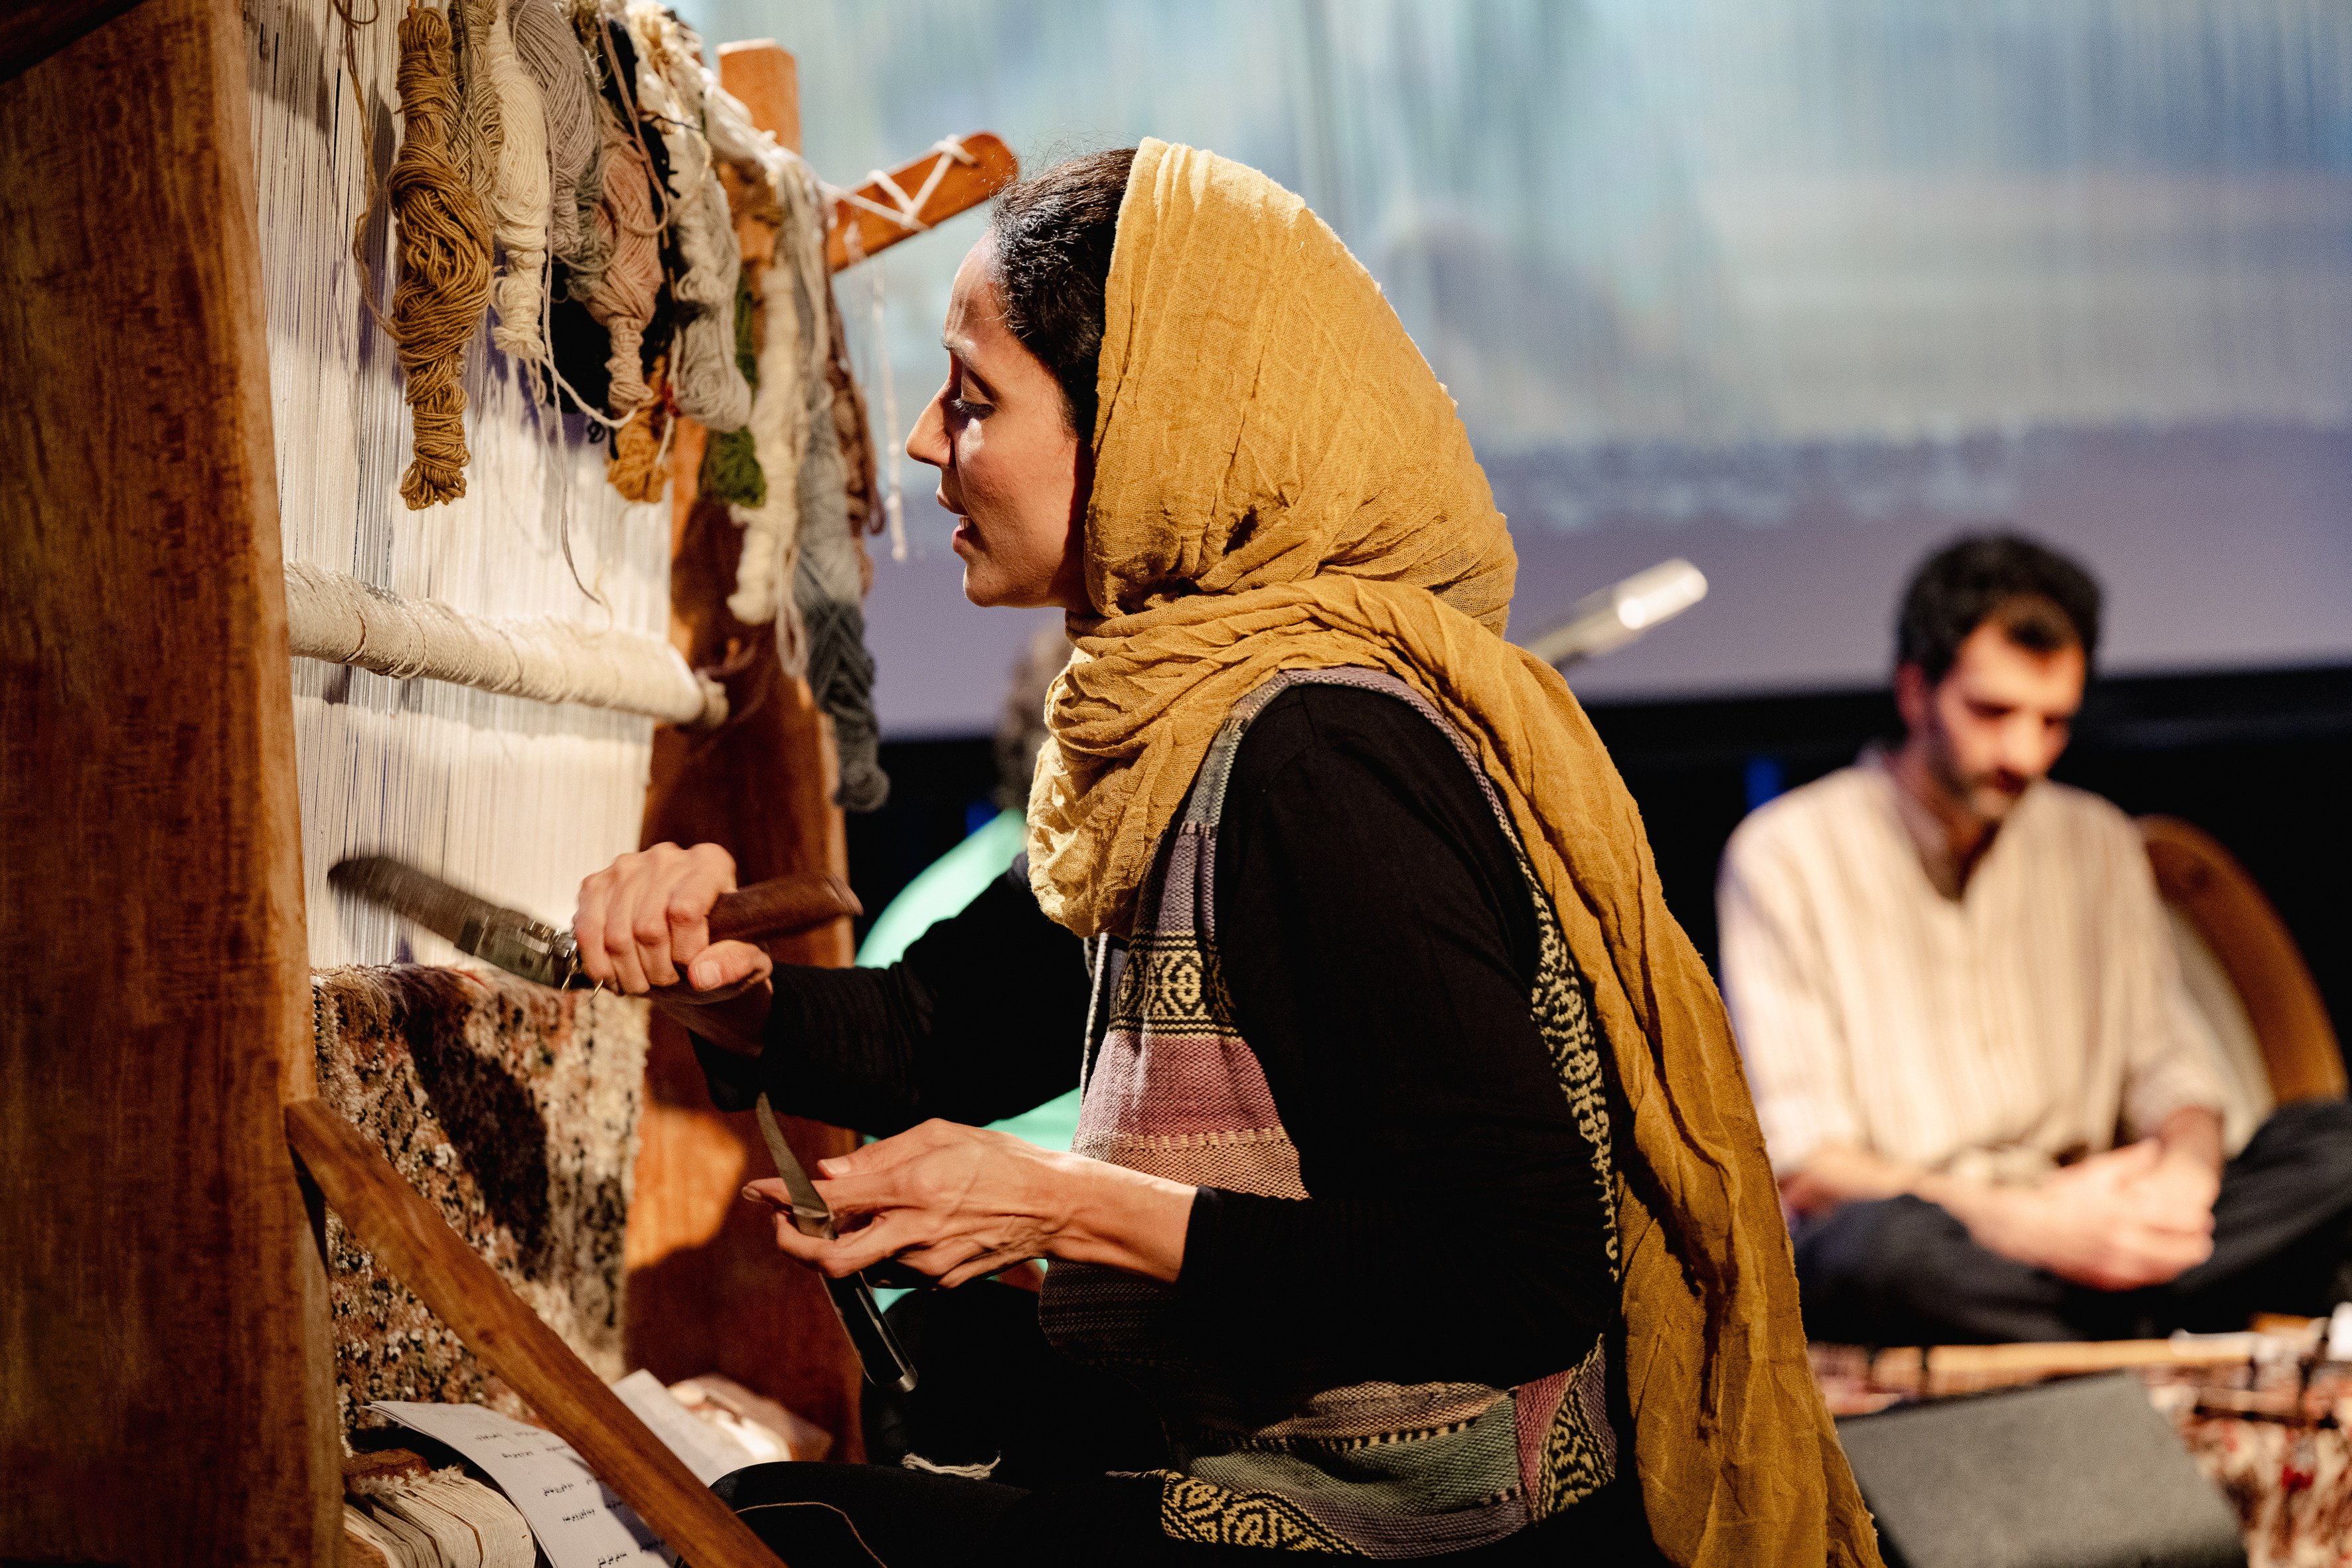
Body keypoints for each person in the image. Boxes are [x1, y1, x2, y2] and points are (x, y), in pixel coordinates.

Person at [577, 143, 1874, 1566]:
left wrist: (1066, 1202)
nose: (925, 444)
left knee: (768, 1531)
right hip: (1290, 1492)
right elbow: (937, 1025)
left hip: (1415, 1538)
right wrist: (724, 987)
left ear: (1148, 429)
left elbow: (1519, 1270)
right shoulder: (1180, 722)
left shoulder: (1314, 753)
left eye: (973, 397)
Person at [1718, 534, 2352, 1346]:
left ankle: (2117, 1306)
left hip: (2103, 1218)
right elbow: (1807, 1161)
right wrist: (2028, 1220)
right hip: (1950, 1233)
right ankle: (2156, 1315)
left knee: (2333, 1148)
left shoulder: (2097, 842)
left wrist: (2184, 1182)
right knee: (1865, 1251)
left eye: (2054, 722)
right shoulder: (1786, 854)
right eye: (1992, 713)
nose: (2023, 753)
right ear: (1915, 690)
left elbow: (2172, 1072)